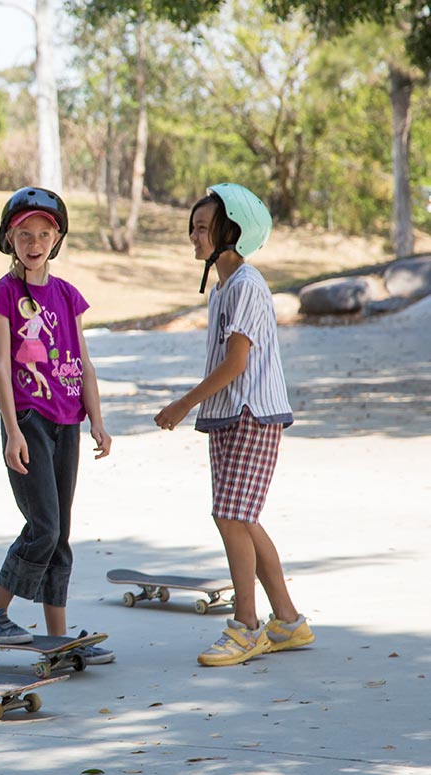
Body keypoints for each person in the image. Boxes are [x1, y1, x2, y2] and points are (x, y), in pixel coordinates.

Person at [154, 183, 313, 666]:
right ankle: (286, 620)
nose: (194, 238)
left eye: (203, 229)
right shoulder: (224, 288)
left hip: (251, 414)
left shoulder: (246, 285)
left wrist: (181, 405)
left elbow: (235, 364)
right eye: (194, 229)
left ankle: (247, 627)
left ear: (232, 232)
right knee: (240, 517)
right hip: (228, 416)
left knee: (232, 516)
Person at [0, 186, 114, 665]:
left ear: (56, 240)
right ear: (8, 238)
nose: (34, 242)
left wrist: (96, 420)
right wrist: (12, 430)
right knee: (44, 527)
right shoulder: (4, 293)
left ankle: (57, 641)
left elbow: (86, 364)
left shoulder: (68, 295)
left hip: (67, 423)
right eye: (24, 234)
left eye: (44, 233)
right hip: (29, 421)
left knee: (61, 531)